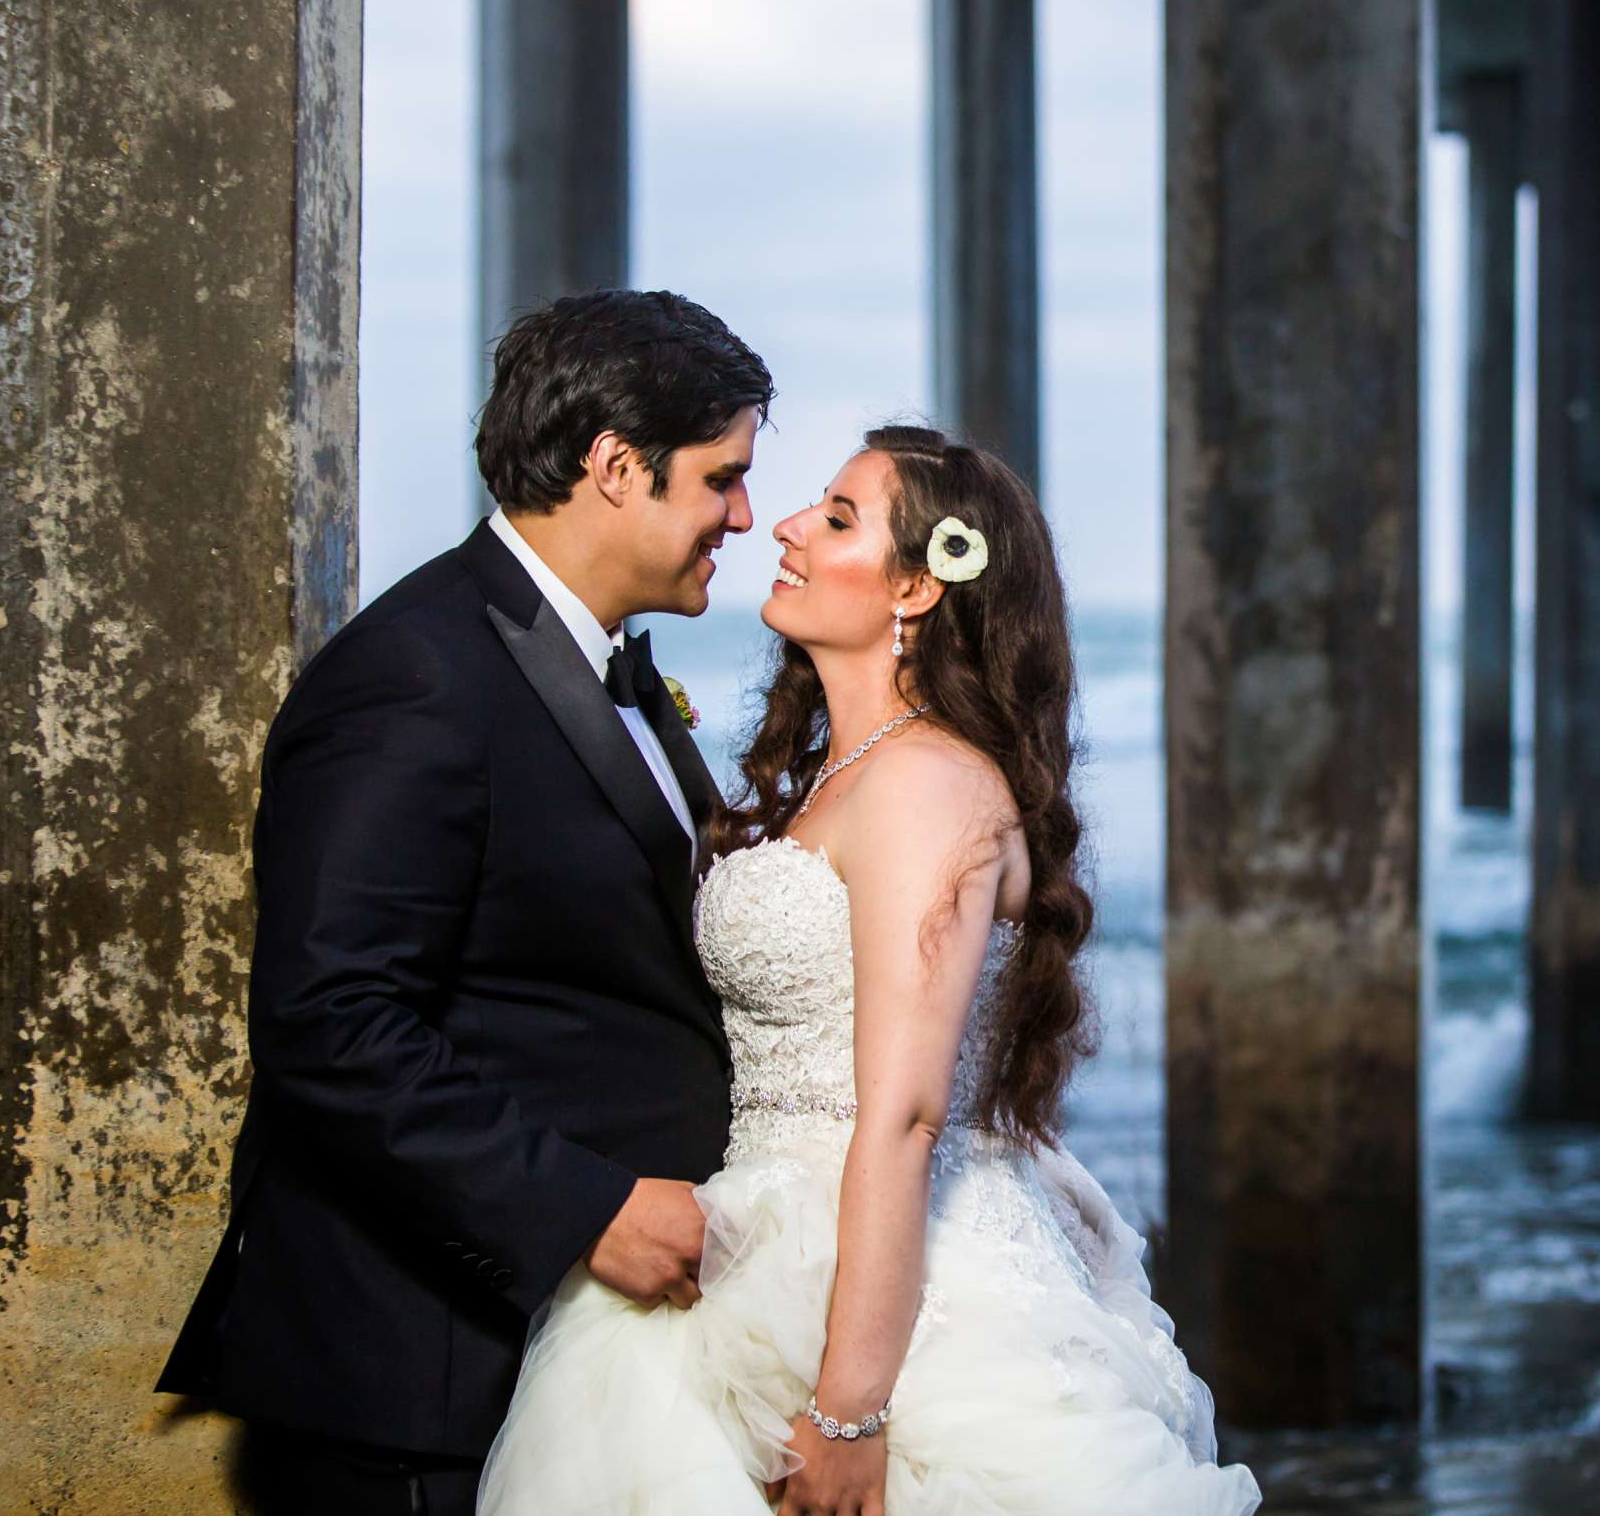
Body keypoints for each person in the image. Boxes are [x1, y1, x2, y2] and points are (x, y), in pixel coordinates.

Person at [478, 426, 1260, 1514]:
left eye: (837, 518)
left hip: (888, 1292)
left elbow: (902, 1113)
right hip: (764, 1239)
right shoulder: (843, 775)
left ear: (917, 589)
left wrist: (851, 1409)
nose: (786, 528)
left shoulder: (931, 783)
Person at [156, 289, 775, 1513]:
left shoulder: (618, 671)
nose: (744, 517)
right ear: (615, 466)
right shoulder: (417, 673)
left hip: (577, 1368)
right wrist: (586, 1204)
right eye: (720, 479)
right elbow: (329, 1019)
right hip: (423, 1372)